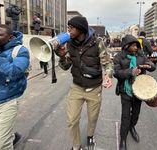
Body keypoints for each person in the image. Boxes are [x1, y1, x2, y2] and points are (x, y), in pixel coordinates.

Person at [54, 16, 113, 150]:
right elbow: (65, 66)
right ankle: (76, 146)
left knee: (92, 118)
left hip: (95, 88)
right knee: (72, 120)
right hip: (77, 87)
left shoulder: (97, 42)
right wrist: (62, 56)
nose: (68, 30)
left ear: (81, 29)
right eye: (68, 27)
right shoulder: (69, 43)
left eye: (71, 28)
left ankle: (90, 136)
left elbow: (107, 62)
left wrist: (108, 75)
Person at [113, 34, 156, 150]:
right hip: (125, 90)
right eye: (132, 46)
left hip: (139, 90)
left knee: (136, 114)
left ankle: (132, 127)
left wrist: (148, 65)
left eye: (136, 45)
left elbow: (152, 66)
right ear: (126, 46)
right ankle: (123, 139)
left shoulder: (141, 55)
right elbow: (116, 73)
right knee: (125, 116)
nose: (136, 48)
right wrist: (131, 72)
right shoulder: (119, 57)